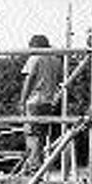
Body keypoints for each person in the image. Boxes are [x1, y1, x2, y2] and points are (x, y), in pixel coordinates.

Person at [20, 34, 63, 173]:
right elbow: (59, 80)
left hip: (35, 101)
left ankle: (34, 165)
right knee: (41, 134)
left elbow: (29, 79)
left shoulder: (35, 58)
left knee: (32, 134)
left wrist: (22, 101)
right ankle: (35, 164)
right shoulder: (56, 60)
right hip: (48, 101)